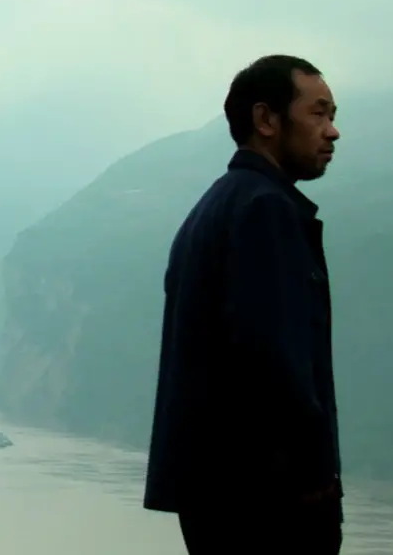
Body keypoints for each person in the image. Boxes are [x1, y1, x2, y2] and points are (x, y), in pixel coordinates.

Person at [143, 55, 344, 553]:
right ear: (266, 119)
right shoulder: (265, 210)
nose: (333, 131)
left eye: (332, 115)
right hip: (268, 499)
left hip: (215, 493)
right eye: (318, 113)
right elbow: (275, 356)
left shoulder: (215, 206)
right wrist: (315, 476)